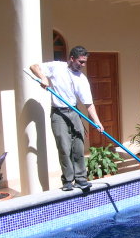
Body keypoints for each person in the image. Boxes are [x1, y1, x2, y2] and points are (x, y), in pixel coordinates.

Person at [29, 46, 104, 191]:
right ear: (71, 59)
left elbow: (88, 103)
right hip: (58, 113)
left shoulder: (82, 79)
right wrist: (43, 78)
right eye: (80, 62)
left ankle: (81, 179)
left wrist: (97, 122)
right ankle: (68, 180)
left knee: (78, 146)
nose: (83, 65)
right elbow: (33, 67)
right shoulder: (57, 67)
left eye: (84, 62)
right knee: (64, 147)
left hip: (74, 111)